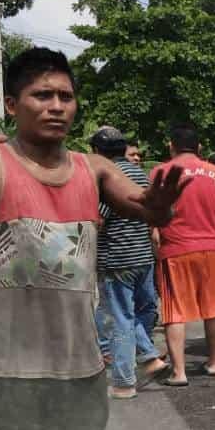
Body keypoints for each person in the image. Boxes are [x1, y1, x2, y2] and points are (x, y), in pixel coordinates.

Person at [0, 48, 184, 430]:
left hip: (80, 375)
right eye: (41, 95)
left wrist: (161, 206)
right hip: (1, 375)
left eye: (65, 96)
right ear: (12, 106)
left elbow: (147, 207)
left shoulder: (93, 169)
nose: (56, 106)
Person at [152, 124, 215, 385]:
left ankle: (179, 372)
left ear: (171, 145)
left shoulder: (160, 172)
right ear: (200, 148)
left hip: (175, 250)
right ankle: (214, 363)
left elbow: (151, 208)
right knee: (213, 309)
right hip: (212, 249)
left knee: (174, 313)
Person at [92, 126, 169, 399]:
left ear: (97, 152)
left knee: (120, 318)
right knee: (136, 311)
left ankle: (125, 381)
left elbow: (99, 220)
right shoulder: (140, 174)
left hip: (117, 259)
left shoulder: (108, 177)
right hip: (142, 256)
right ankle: (149, 355)